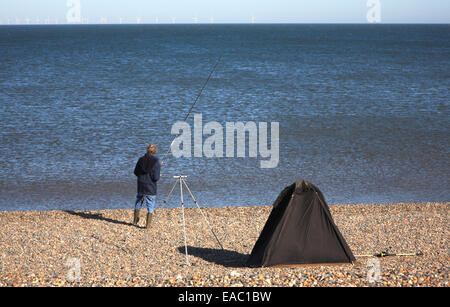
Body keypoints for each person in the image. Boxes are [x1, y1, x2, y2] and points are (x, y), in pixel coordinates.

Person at [133, 143, 161, 228]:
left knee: (138, 202)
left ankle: (135, 221)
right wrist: (159, 168)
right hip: (150, 187)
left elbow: (135, 172)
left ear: (147, 150)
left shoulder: (140, 159)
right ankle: (148, 225)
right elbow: (156, 178)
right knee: (150, 204)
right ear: (154, 151)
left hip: (141, 185)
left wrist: (142, 177)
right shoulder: (156, 161)